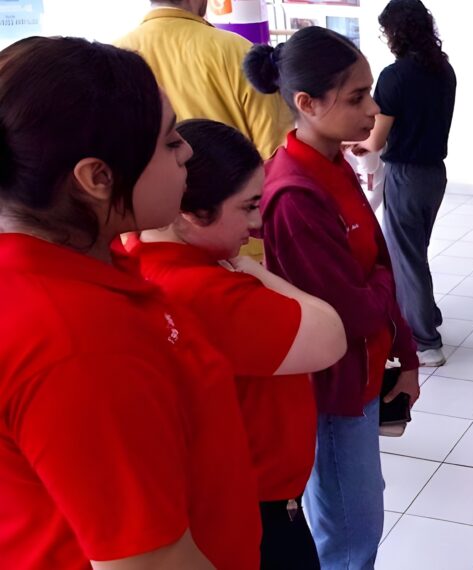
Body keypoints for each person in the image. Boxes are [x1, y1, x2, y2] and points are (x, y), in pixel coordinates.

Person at [0, 37, 260, 569]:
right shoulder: (79, 341)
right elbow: (150, 563)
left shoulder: (88, 273)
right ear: (98, 178)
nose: (188, 151)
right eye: (169, 142)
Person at [126, 119, 349, 569]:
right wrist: (252, 272)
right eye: (247, 207)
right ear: (191, 212)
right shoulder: (204, 290)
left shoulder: (140, 259)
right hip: (258, 506)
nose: (256, 223)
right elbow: (331, 335)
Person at [244, 26, 421, 570]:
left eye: (369, 92)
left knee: (356, 519)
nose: (373, 109)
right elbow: (351, 311)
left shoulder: (333, 164)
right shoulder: (295, 193)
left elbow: (377, 269)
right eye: (356, 97)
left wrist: (406, 354)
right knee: (349, 534)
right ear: (306, 103)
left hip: (362, 376)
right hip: (334, 391)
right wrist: (383, 283)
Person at [352, 0, 457, 367]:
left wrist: (354, 144)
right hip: (434, 175)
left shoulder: (395, 76)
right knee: (415, 252)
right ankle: (427, 314)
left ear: (396, 32)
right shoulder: (443, 70)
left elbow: (376, 141)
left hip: (406, 175)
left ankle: (426, 342)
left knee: (405, 256)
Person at [117, 0, 292, 159]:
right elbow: (276, 150)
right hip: (235, 189)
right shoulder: (237, 51)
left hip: (154, 193)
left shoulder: (116, 57)